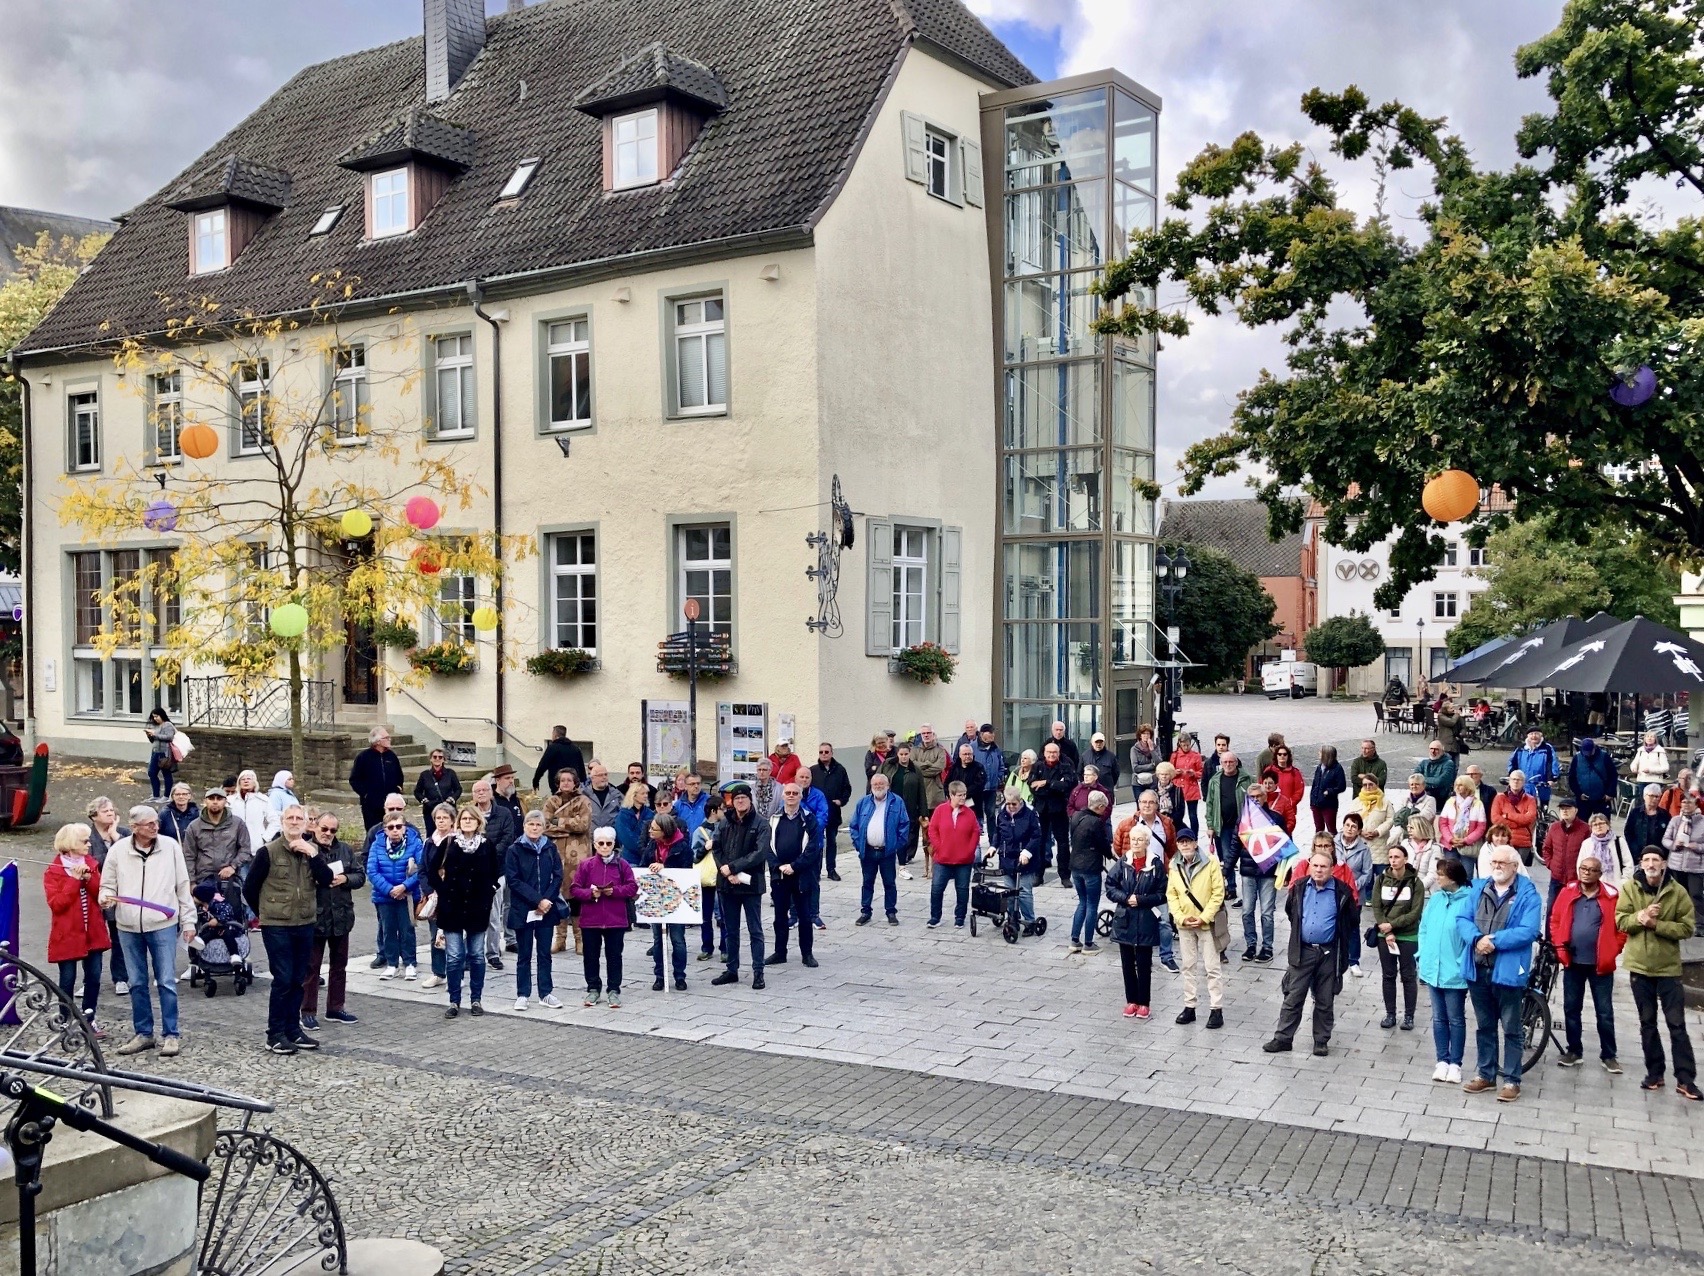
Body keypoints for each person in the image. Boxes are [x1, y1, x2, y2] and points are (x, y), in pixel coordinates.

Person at [99, 806, 196, 1058]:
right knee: (137, 983)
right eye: (149, 824)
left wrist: (188, 921)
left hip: (162, 925)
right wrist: (105, 898)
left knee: (166, 981)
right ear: (134, 828)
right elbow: (107, 884)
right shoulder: (118, 851)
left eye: (156, 822)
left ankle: (171, 1034)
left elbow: (182, 885)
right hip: (128, 926)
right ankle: (144, 1033)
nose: (155, 827)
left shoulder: (170, 847)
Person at [243, 804, 332, 1055]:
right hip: (277, 925)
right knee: (282, 979)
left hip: (304, 922)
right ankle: (275, 1034)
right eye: (289, 818)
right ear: (282, 822)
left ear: (306, 824)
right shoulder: (268, 852)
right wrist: (266, 914)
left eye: (299, 818)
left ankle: (293, 1030)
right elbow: (250, 888)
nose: (294, 822)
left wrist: (312, 854)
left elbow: (326, 880)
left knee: (298, 979)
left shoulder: (312, 851)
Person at [1616, 845, 1700, 1099]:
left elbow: (1687, 928)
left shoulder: (1678, 892)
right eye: (1646, 860)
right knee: (1647, 1023)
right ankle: (1655, 1073)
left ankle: (1685, 1079)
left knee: (1677, 1024)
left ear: (1664, 864)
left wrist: (1657, 924)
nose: (1651, 864)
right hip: (1640, 966)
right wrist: (1640, 917)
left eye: (1656, 860)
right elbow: (1620, 921)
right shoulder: (1631, 888)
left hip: (1668, 969)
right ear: (1641, 864)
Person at [1460, 845, 1542, 1101]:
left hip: (1507, 971)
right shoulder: (1478, 888)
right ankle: (1486, 1075)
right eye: (1494, 861)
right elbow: (1462, 919)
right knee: (1484, 1026)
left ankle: (1512, 1080)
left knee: (1511, 1027)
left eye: (1502, 863)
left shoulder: (1528, 894)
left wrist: (1493, 940)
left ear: (1515, 866)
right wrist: (1476, 939)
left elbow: (1528, 931)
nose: (1497, 866)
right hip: (1478, 967)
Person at [1262, 846, 1358, 1057]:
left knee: (1325, 1000)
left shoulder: (1342, 891)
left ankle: (1321, 1041)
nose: (1319, 870)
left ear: (1332, 869)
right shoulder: (1299, 887)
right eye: (1315, 865)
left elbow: (1352, 920)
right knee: (1293, 997)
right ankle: (1283, 1038)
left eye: (1323, 866)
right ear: (1309, 867)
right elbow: (1291, 912)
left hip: (1328, 954)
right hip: (1302, 951)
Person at [1550, 852, 1625, 1071]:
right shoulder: (1567, 892)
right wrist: (1559, 946)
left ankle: (1609, 1054)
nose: (1586, 873)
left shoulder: (1611, 896)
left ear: (1600, 874)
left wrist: (1614, 950)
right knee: (1571, 1008)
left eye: (1592, 870)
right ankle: (1574, 1050)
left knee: (1604, 1011)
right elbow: (1555, 920)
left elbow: (1621, 928)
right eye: (1583, 868)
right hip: (1572, 961)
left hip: (1600, 964)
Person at [428, 806, 501, 1018]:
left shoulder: (487, 846)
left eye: (471, 818)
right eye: (464, 818)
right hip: (452, 907)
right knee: (454, 956)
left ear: (479, 822)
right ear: (458, 821)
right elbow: (431, 871)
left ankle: (476, 999)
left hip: (478, 908)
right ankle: (454, 1000)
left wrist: (490, 892)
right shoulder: (449, 843)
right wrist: (443, 890)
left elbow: (495, 873)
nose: (467, 821)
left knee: (477, 955)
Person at [44, 822, 111, 1037]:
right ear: (72, 844)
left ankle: (89, 1019)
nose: (89, 844)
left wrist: (90, 878)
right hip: (67, 934)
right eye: (84, 841)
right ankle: (65, 1020)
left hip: (92, 933)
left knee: (93, 977)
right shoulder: (53, 872)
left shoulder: (92, 864)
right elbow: (57, 904)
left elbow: (100, 896)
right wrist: (73, 881)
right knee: (67, 979)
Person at [301, 809, 362, 1030]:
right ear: (315, 826)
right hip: (315, 917)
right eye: (324, 828)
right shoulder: (306, 848)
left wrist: (345, 878)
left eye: (333, 830)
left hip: (341, 915)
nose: (328, 833)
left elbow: (360, 876)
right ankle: (307, 1010)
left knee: (339, 966)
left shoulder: (345, 850)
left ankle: (336, 1007)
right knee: (311, 968)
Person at [1417, 857, 1475, 1083]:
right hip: (1433, 968)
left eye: (1440, 874)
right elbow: (1424, 928)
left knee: (1456, 1018)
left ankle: (1456, 1064)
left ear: (1453, 877)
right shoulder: (1436, 900)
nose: (1437, 878)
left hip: (1455, 971)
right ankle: (1441, 1060)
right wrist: (1422, 954)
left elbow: (1470, 935)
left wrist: (1462, 962)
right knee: (1439, 1018)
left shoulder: (1468, 901)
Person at [711, 783, 771, 986]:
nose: (740, 801)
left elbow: (759, 853)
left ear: (749, 799)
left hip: (750, 884)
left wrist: (734, 868)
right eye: (737, 799)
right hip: (728, 884)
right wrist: (726, 871)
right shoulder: (725, 822)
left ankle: (758, 972)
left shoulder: (761, 823)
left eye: (743, 798)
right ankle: (732, 969)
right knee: (731, 930)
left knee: (755, 930)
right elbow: (716, 849)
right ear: (732, 801)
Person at [507, 810, 566, 1010]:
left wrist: (547, 900)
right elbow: (513, 880)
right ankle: (523, 993)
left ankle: (545, 992)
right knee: (524, 954)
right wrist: (537, 900)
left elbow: (557, 875)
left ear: (543, 828)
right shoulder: (515, 849)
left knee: (544, 953)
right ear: (524, 826)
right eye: (531, 824)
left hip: (546, 909)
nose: (534, 828)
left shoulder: (550, 848)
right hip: (524, 908)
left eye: (538, 825)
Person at [570, 826, 635, 1007]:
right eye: (601, 843)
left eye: (608, 843)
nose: (605, 847)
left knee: (614, 956)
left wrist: (614, 891)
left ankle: (614, 989)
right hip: (591, 919)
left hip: (615, 920)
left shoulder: (623, 865)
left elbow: (632, 887)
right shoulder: (586, 865)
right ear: (595, 845)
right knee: (590, 956)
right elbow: (574, 889)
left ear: (614, 844)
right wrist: (590, 894)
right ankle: (593, 989)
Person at [1167, 829, 1226, 1030]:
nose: (1184, 845)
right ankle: (1189, 1006)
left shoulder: (1211, 862)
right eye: (1181, 842)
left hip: (1206, 923)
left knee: (1212, 967)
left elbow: (1218, 893)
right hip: (1185, 924)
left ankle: (1216, 1008)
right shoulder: (1174, 865)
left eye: (1188, 842)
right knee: (1188, 966)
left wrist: (1204, 917)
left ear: (1195, 843)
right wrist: (1181, 918)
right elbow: (1171, 895)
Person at [1106, 825, 1166, 1020]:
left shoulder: (1155, 864)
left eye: (1140, 840)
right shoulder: (1123, 862)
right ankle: (1131, 1000)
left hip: (1146, 919)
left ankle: (1144, 1003)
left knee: (1143, 962)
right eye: (1133, 840)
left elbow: (1162, 893)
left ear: (1147, 842)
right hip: (1125, 918)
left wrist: (1141, 900)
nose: (1136, 843)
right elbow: (1110, 885)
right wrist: (1125, 898)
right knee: (1126, 963)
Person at [766, 787, 821, 970]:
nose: (791, 796)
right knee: (779, 916)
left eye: (795, 793)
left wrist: (795, 866)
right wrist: (778, 866)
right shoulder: (774, 819)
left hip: (802, 876)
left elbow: (814, 847)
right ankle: (780, 952)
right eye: (788, 793)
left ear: (800, 796)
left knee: (805, 917)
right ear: (782, 795)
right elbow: (766, 846)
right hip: (780, 875)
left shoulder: (809, 818)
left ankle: (807, 954)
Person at [1372, 842, 1425, 1030]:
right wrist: (1386, 930)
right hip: (1385, 936)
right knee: (1388, 975)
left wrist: (1392, 925)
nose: (1393, 861)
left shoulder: (1416, 883)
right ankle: (1390, 1014)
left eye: (1397, 857)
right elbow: (1376, 906)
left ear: (1405, 859)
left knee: (1408, 975)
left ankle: (1409, 1016)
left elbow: (1415, 912)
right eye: (1391, 857)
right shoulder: (1380, 880)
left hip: (1408, 936)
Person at [641, 811, 695, 989]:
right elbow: (643, 866)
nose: (650, 831)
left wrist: (665, 867)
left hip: (676, 900)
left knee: (678, 939)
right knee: (658, 939)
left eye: (654, 829)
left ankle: (680, 976)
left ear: (664, 831)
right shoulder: (652, 845)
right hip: (656, 898)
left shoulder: (682, 847)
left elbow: (686, 871)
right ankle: (660, 976)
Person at [366, 810, 422, 980]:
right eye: (391, 827)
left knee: (407, 930)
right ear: (385, 829)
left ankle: (410, 963)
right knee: (388, 930)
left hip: (407, 895)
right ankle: (392, 964)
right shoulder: (377, 845)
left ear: (405, 827)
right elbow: (372, 870)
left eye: (399, 826)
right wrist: (390, 889)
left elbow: (422, 869)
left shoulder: (415, 843)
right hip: (385, 896)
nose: (395, 830)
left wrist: (404, 886)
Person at [543, 769, 592, 955]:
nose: (565, 783)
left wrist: (558, 821)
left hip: (578, 858)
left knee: (577, 898)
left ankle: (580, 939)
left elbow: (582, 825)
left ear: (575, 782)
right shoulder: (551, 801)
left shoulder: (583, 801)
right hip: (556, 857)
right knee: (557, 896)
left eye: (569, 780)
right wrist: (567, 825)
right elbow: (545, 825)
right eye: (562, 780)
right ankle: (560, 939)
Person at [851, 772, 909, 925]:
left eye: (881, 784)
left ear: (887, 786)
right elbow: (854, 826)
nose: (878, 787)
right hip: (868, 851)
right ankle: (865, 911)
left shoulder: (897, 802)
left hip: (887, 852)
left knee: (889, 883)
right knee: (867, 882)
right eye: (875, 784)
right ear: (871, 787)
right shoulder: (862, 802)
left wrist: (894, 845)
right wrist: (858, 844)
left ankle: (891, 912)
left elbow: (904, 825)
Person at [470, 778, 515, 969]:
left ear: (491, 792)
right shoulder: (468, 814)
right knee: (472, 914)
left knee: (494, 915)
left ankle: (493, 953)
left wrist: (486, 854)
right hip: (472, 873)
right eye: (476, 791)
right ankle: (473, 953)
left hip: (496, 871)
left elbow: (507, 838)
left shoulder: (503, 813)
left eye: (484, 790)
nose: (480, 793)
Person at [87, 796, 130, 994]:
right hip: (93, 894)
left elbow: (129, 858)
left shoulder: (124, 834)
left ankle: (121, 978)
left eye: (112, 810)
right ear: (94, 816)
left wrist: (115, 838)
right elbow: (95, 863)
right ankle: (89, 980)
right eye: (106, 811)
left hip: (118, 893)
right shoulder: (86, 837)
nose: (111, 813)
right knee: (92, 938)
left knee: (118, 937)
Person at [988, 788, 1045, 934]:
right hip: (1007, 859)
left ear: (1020, 801)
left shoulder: (1030, 814)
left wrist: (1027, 852)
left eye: (1014, 804)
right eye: (1008, 804)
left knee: (1024, 892)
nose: (1011, 807)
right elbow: (998, 832)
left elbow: (1036, 836)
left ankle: (1029, 921)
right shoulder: (1001, 814)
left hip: (1024, 859)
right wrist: (994, 846)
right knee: (1009, 892)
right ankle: (1013, 918)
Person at [926, 781, 981, 929]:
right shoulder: (940, 810)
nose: (963, 798)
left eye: (964, 795)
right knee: (937, 888)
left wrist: (969, 851)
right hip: (943, 859)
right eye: (960, 795)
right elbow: (932, 830)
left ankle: (960, 918)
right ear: (951, 795)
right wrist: (939, 847)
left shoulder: (969, 813)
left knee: (962, 890)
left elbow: (975, 832)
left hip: (963, 861)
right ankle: (935, 917)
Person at [1067, 790, 1112, 954]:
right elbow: (1103, 844)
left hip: (1075, 866)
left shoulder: (1076, 816)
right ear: (1099, 806)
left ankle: (1074, 940)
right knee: (1092, 904)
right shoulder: (1096, 822)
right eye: (1103, 808)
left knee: (1082, 902)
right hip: (1091, 867)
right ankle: (1088, 943)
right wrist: (1111, 855)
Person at [1204, 753, 1251, 907]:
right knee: (1227, 857)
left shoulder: (1247, 779)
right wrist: (1210, 825)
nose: (1228, 764)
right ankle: (1231, 887)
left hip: (1244, 825)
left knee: (1246, 857)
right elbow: (1209, 804)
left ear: (1236, 762)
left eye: (1231, 761)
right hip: (1223, 825)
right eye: (1225, 762)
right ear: (1221, 763)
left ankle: (1249, 890)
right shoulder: (1215, 780)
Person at [182, 786, 254, 887]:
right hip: (203, 879)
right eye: (211, 799)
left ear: (226, 801)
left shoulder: (237, 824)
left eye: (219, 799)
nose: (215, 802)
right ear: (205, 801)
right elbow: (188, 856)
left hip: (230, 878)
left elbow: (245, 849)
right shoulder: (194, 826)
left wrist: (233, 866)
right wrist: (192, 882)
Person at [879, 742, 927, 880]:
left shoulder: (915, 770)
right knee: (888, 832)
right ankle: (886, 858)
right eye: (901, 754)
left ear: (910, 754)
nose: (904, 757)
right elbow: (877, 781)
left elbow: (921, 792)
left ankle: (903, 861)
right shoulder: (888, 765)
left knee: (904, 835)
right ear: (897, 754)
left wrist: (923, 812)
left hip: (909, 807)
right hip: (890, 805)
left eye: (906, 754)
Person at [1335, 813, 1375, 977]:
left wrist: (1353, 885)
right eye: (1347, 825)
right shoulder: (1333, 842)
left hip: (1354, 894)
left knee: (1352, 927)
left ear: (1359, 831)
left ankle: (1353, 961)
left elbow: (1367, 873)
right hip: (1334, 891)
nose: (1350, 829)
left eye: (1354, 826)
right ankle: (1334, 958)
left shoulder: (1364, 849)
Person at [1542, 796, 1590, 932]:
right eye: (1562, 809)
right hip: (1556, 878)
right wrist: (1551, 864)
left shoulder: (1585, 829)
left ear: (1576, 810)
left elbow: (1589, 852)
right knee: (1551, 910)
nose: (1564, 811)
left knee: (1574, 912)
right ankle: (1548, 943)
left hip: (1575, 879)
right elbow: (1546, 848)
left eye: (1568, 809)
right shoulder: (1554, 827)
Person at [349, 726, 405, 832]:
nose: (389, 740)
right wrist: (366, 794)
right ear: (378, 741)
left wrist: (398, 789)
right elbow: (354, 779)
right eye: (386, 738)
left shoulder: (391, 756)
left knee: (392, 829)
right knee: (374, 831)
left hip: (390, 804)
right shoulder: (363, 757)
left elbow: (399, 775)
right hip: (371, 804)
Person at [1662, 793, 1704, 933]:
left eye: (1689, 802)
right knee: (1678, 894)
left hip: (1695, 866)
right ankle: (1680, 920)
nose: (1686, 805)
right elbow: (1665, 839)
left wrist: (1697, 847)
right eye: (1684, 802)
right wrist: (1674, 844)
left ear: (1696, 804)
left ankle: (1700, 925)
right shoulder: (1675, 820)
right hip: (1676, 864)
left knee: (1696, 895)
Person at [810, 744, 853, 881]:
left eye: (826, 752)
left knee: (831, 842)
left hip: (833, 812)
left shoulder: (840, 770)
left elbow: (847, 788)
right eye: (821, 752)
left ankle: (831, 869)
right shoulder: (813, 770)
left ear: (831, 753)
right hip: (816, 814)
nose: (823, 754)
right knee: (816, 842)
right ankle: (816, 870)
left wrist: (841, 801)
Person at [911, 725, 949, 866]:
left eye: (929, 733)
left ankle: (940, 853)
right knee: (919, 827)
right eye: (923, 733)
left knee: (937, 827)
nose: (926, 735)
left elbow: (939, 767)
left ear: (933, 734)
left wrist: (921, 768)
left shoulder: (940, 750)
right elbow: (912, 765)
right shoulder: (914, 750)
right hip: (919, 794)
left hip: (935, 795)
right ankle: (913, 855)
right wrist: (928, 765)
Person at [1438, 776, 1488, 871]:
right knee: (1451, 873)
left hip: (1468, 846)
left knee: (1467, 874)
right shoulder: (1450, 801)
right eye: (1456, 785)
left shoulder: (1478, 804)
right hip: (1450, 845)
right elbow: (1442, 823)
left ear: (1468, 786)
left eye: (1460, 785)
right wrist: (1450, 839)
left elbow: (1481, 827)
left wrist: (1466, 840)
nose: (1457, 787)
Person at [1490, 771, 1538, 865]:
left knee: (1518, 871)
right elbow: (1495, 819)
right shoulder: (1500, 798)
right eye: (1513, 779)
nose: (1516, 782)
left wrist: (1508, 816)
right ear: (1509, 781)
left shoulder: (1530, 799)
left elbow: (1529, 818)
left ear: (1523, 782)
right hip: (1504, 840)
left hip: (1523, 842)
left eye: (1519, 780)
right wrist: (1516, 823)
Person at [1568, 737, 1619, 821]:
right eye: (1585, 752)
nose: (1587, 754)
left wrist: (1610, 793)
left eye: (1589, 752)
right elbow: (1572, 777)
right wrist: (1578, 793)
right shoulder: (1577, 758)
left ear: (1594, 748)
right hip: (1583, 799)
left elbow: (1613, 775)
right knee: (1581, 825)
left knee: (1602, 823)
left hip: (1601, 799)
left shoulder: (1604, 757)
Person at [970, 724, 1007, 834]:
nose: (992, 735)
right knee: (976, 814)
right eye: (990, 733)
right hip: (976, 788)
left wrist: (999, 778)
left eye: (993, 733)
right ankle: (975, 839)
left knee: (991, 814)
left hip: (991, 788)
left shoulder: (996, 749)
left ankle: (993, 840)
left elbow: (1001, 765)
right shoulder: (972, 748)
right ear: (982, 734)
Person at [1509, 728, 1560, 807]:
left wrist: (1551, 778)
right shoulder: (1521, 748)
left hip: (1542, 783)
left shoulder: (1547, 748)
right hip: (1523, 784)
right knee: (1522, 806)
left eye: (1536, 734)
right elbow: (1512, 762)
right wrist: (1512, 776)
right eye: (1531, 734)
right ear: (1527, 736)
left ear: (1541, 735)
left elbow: (1552, 763)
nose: (1534, 736)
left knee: (1543, 806)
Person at [941, 745, 988, 832]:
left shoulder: (978, 767)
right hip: (956, 808)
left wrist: (962, 795)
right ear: (959, 755)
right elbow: (947, 784)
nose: (967, 756)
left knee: (974, 836)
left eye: (969, 754)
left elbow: (979, 785)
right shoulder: (954, 768)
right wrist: (952, 796)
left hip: (974, 808)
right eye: (965, 754)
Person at [1580, 811, 1631, 889]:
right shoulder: (1587, 843)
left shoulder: (1619, 841)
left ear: (1608, 825)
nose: (1598, 826)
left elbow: (1628, 864)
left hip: (1616, 887)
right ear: (1591, 828)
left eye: (1601, 823)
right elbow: (1580, 865)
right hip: (1593, 887)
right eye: (1595, 825)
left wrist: (1623, 883)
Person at [1625, 784, 1672, 868]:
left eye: (1657, 796)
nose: (1654, 799)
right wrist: (1636, 853)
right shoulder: (1635, 812)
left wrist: (1661, 854)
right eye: (1651, 796)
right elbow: (1628, 833)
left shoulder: (1665, 815)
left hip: (1658, 856)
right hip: (1637, 856)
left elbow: (1668, 835)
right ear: (1644, 796)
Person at [1353, 772, 1395, 866]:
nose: (1368, 787)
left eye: (1371, 784)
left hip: (1380, 848)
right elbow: (1350, 820)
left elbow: (1391, 819)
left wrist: (1378, 831)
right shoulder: (1356, 802)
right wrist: (1360, 831)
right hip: (1361, 846)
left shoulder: (1385, 802)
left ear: (1377, 785)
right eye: (1365, 785)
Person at [533, 726, 587, 797]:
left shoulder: (552, 748)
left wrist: (535, 781)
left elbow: (542, 766)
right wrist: (582, 783)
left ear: (555, 734)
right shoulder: (575, 749)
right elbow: (582, 768)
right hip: (573, 787)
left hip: (557, 786)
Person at [234, 769, 279, 853]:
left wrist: (265, 838)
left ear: (255, 782)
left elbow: (275, 821)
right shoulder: (231, 801)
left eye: (249, 779)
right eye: (243, 779)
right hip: (235, 849)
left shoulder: (263, 800)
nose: (246, 781)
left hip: (256, 847)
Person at [1168, 733, 1203, 832]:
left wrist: (1194, 774)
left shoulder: (1196, 756)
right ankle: (1178, 835)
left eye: (1188, 745)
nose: (1186, 747)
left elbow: (1201, 772)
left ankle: (1195, 838)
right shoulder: (1175, 755)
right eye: (1184, 745)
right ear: (1179, 744)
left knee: (1193, 815)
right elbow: (1169, 771)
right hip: (1178, 788)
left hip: (1191, 788)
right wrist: (1174, 772)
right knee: (1177, 814)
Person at [1309, 745, 1348, 836]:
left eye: (1321, 752)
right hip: (1316, 803)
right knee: (1318, 829)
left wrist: (1329, 791)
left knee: (1331, 829)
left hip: (1328, 804)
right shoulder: (1319, 767)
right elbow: (1315, 784)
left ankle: (1334, 847)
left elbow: (1342, 786)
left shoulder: (1337, 768)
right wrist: (1312, 799)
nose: (1318, 754)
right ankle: (1319, 846)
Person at [615, 782, 655, 868]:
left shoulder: (650, 814)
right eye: (642, 793)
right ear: (634, 795)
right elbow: (625, 837)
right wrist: (642, 849)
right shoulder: (623, 815)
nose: (646, 796)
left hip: (647, 860)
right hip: (629, 859)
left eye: (646, 793)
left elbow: (653, 835)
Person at [414, 749, 462, 819]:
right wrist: (425, 801)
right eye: (435, 757)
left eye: (440, 757)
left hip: (447, 809)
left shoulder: (450, 773)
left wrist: (451, 799)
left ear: (443, 760)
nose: (437, 759)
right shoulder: (424, 775)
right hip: (430, 810)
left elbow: (458, 789)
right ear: (430, 759)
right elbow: (417, 792)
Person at [1403, 814, 1446, 892]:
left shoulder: (1435, 848)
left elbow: (1433, 874)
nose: (1409, 830)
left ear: (1421, 829)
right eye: (1408, 827)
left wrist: (1416, 888)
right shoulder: (1405, 844)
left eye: (1412, 828)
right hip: (1405, 889)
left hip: (1426, 892)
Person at [144, 707, 178, 799]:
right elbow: (154, 741)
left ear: (162, 715)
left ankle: (167, 795)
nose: (155, 719)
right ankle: (156, 794)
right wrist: (150, 736)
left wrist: (155, 734)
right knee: (151, 773)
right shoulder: (157, 726)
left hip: (164, 753)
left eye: (157, 716)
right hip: (155, 752)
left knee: (166, 773)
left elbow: (169, 737)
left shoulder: (168, 725)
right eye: (154, 717)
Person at [1418, 741, 1457, 808]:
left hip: (1440, 798)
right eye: (1431, 749)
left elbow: (1440, 782)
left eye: (1436, 749)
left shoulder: (1448, 764)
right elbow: (1415, 779)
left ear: (1442, 751)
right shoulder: (1423, 763)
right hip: (1424, 795)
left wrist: (1423, 781)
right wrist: (1432, 783)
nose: (1433, 751)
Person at [1151, 762, 1188, 833]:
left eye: (1166, 774)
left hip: (1174, 823)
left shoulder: (1177, 790)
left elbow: (1181, 810)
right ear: (1158, 775)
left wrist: (1170, 821)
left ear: (1171, 775)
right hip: (1156, 822)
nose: (1164, 777)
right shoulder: (1152, 790)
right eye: (1162, 774)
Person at [1257, 770, 1296, 835]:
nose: (1267, 786)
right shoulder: (1257, 799)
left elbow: (1291, 820)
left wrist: (1283, 833)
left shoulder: (1284, 800)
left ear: (1276, 784)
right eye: (1265, 783)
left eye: (1270, 783)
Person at [1268, 745, 1304, 813]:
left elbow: (1299, 791)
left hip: (1288, 810)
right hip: (1272, 808)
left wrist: (1290, 803)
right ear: (1276, 756)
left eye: (1285, 754)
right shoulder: (1269, 770)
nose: (1282, 756)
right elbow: (1262, 786)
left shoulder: (1295, 772)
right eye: (1279, 754)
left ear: (1288, 756)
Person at [1084, 731, 1121, 796]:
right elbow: (1079, 772)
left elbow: (1116, 773)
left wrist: (1109, 784)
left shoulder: (1111, 756)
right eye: (1096, 742)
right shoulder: (1085, 756)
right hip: (1089, 791)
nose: (1099, 744)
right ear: (1092, 743)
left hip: (1106, 791)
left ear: (1104, 743)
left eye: (1101, 742)